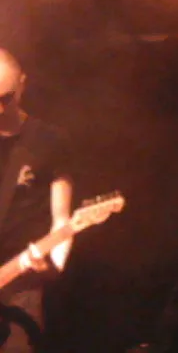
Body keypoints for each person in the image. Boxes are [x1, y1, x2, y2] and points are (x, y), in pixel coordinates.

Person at [0, 49, 74, 352]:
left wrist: (51, 267)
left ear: (23, 84)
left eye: (5, 98)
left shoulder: (49, 141)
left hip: (21, 284)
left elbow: (62, 221)